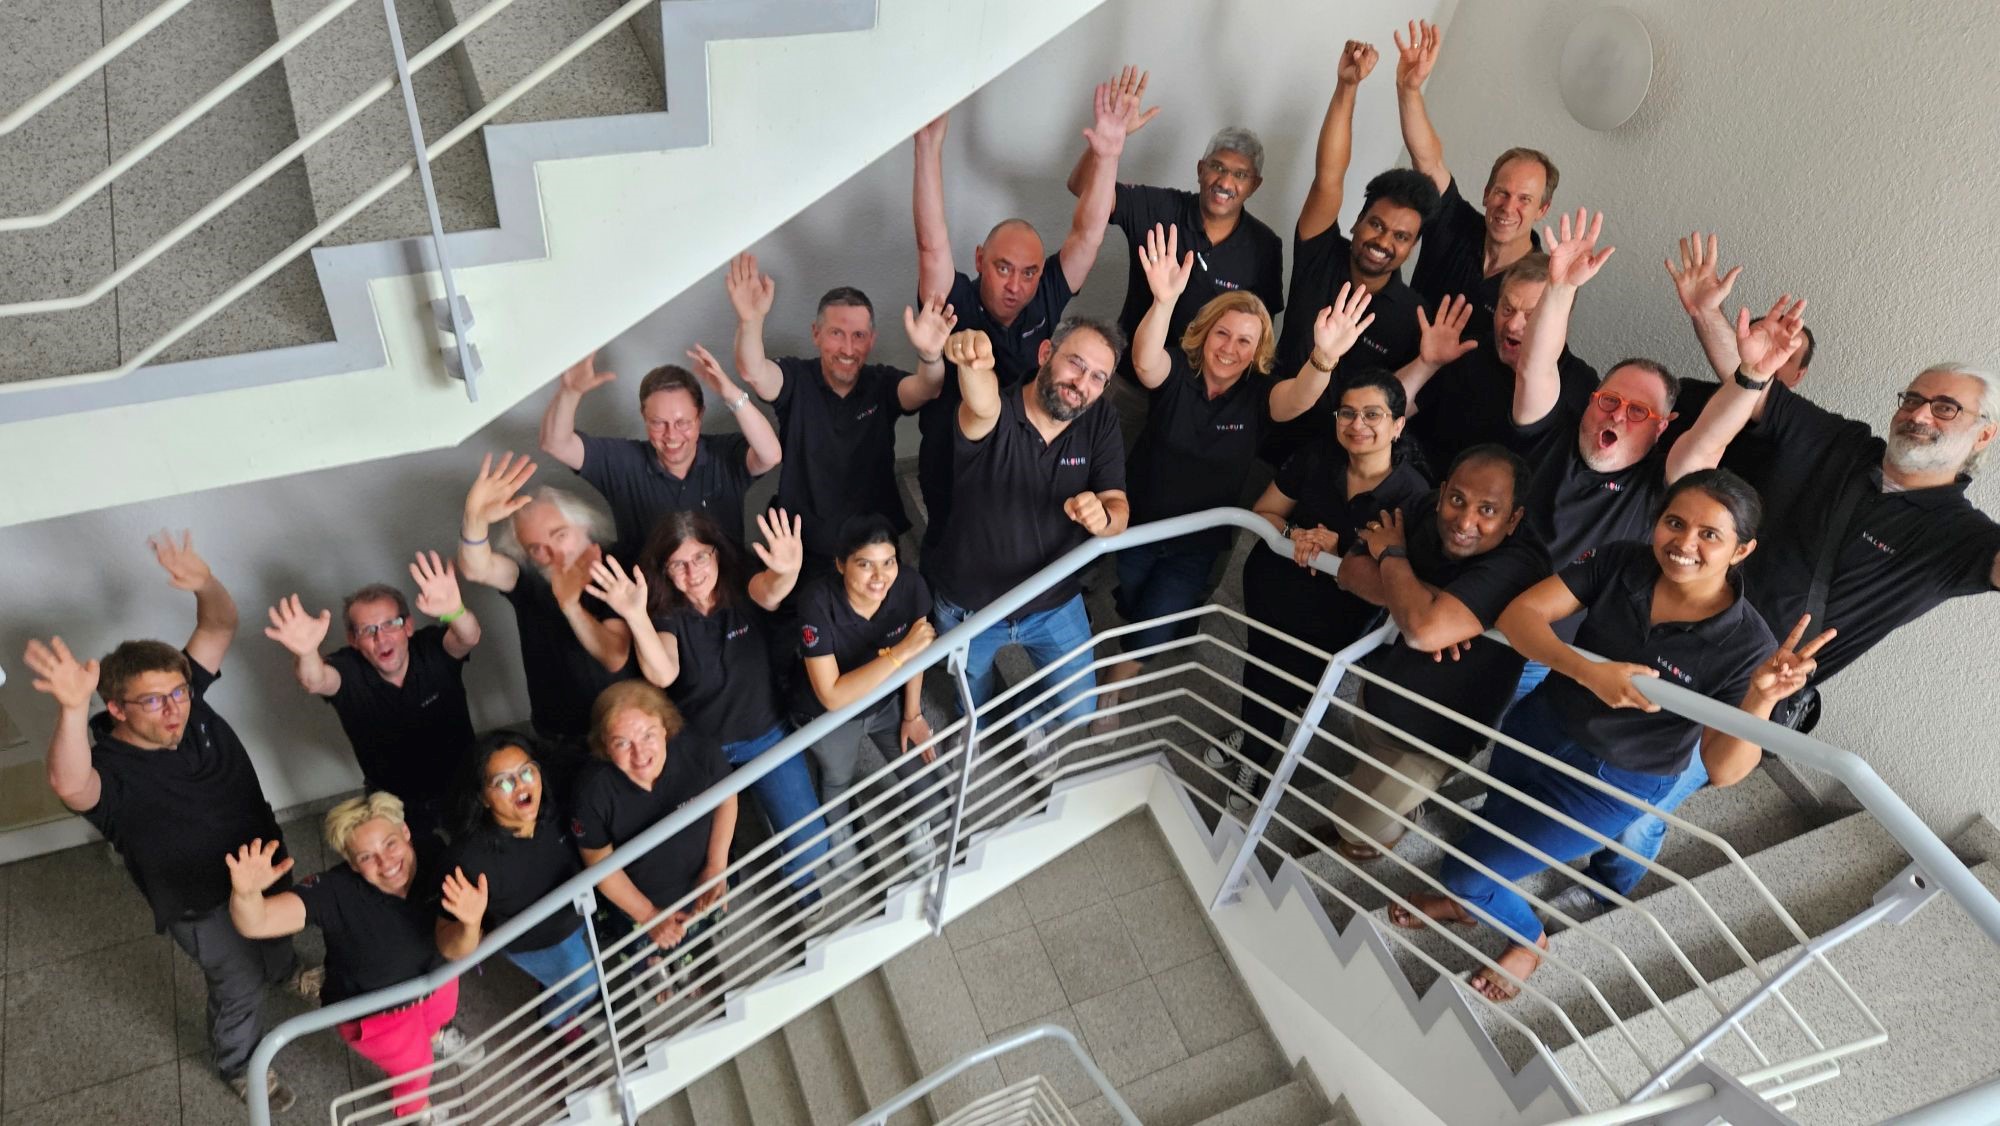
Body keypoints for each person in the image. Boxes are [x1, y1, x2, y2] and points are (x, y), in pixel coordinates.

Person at [1389, 470, 1825, 1001]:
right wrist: (1585, 670)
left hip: (1608, 784)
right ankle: (1470, 903)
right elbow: (1521, 614)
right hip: (1539, 729)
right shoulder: (1623, 561)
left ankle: (1527, 939)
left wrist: (1761, 697)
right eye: (1674, 523)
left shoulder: (1747, 645)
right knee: (1497, 819)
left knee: (1465, 871)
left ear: (1741, 550)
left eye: (1710, 535)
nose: (1684, 544)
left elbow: (1724, 770)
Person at [23, 532, 315, 1111]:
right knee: (237, 985)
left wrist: (205, 583)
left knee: (278, 934)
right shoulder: (110, 767)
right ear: (117, 709)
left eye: (177, 692)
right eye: (154, 701)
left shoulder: (191, 704)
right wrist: (69, 707)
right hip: (198, 903)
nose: (174, 708)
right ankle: (238, 1062)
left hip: (261, 864)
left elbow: (218, 628)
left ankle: (290, 973)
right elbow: (69, 783)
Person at [1097, 223, 1345, 725]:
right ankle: (1138, 625)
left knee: (1159, 618)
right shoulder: (1178, 375)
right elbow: (1144, 362)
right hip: (1141, 522)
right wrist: (1164, 300)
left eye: (1245, 341)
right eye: (1223, 333)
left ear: (1259, 351)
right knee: (1131, 592)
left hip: (1198, 542)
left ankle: (1112, 689)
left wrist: (1324, 357)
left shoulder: (1260, 394)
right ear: (1205, 333)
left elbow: (1298, 400)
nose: (1230, 347)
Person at [910, 80, 1130, 544]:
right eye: (1002, 268)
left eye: (1028, 272)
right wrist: (928, 147)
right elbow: (931, 243)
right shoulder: (958, 299)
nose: (1015, 286)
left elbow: (1088, 235)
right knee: (952, 543)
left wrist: (1108, 155)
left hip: (1024, 453)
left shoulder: (1046, 292)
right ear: (978, 261)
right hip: (954, 449)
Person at [1211, 370, 1432, 815]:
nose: (1357, 424)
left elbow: (1402, 580)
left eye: (1373, 414)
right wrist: (1298, 534)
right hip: (1273, 588)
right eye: (1347, 413)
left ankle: (1255, 751)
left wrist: (1340, 552)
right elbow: (1266, 512)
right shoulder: (1318, 456)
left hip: (1340, 615)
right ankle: (1255, 735)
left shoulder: (1414, 497)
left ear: (1397, 425)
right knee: (1261, 668)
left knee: (1295, 682)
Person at [587, 510, 832, 899]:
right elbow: (663, 674)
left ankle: (799, 881)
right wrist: (635, 614)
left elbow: (769, 591)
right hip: (700, 747)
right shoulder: (664, 612)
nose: (693, 572)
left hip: (765, 733)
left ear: (716, 554)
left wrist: (788, 570)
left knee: (813, 847)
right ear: (665, 571)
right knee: (697, 854)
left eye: (700, 557)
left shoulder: (740, 583)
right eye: (678, 564)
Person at [1326, 446, 1547, 859]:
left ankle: (1381, 836)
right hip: (1382, 689)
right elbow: (1350, 570)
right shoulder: (1426, 506)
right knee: (1364, 766)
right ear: (1443, 492)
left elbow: (1424, 631)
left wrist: (1393, 557)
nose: (1464, 521)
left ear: (1514, 517)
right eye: (1458, 500)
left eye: (1488, 510)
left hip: (1435, 735)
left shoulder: (1522, 565)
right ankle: (1389, 815)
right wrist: (1425, 606)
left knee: (1354, 825)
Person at [925, 319, 1130, 739]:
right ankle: (977, 721)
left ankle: (1025, 716)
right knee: (972, 697)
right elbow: (980, 404)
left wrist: (1104, 518)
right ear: (1044, 355)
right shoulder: (996, 413)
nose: (1082, 384)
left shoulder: (1100, 419)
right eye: (1075, 363)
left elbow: (1119, 509)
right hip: (973, 606)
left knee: (1076, 709)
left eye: (1097, 377)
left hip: (1053, 600)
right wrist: (974, 363)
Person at [226, 793, 482, 1119]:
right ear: (350, 862)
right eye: (366, 857)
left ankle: (435, 1035)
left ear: (405, 832)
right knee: (415, 1067)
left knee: (439, 1017)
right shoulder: (333, 892)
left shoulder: (433, 853)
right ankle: (416, 1111)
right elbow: (256, 922)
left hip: (436, 979)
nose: (386, 863)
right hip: (377, 1013)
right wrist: (246, 895)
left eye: (390, 844)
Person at [1062, 66, 1285, 440]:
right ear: (1200, 170)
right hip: (1131, 385)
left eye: (1240, 174)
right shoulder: (1160, 208)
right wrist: (1106, 146)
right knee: (1093, 473)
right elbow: (1081, 188)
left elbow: (1260, 332)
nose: (1225, 182)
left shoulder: (1265, 246)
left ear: (1254, 185)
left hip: (1201, 399)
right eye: (1217, 167)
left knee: (1164, 489)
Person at [1266, 40, 1441, 464]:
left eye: (1401, 237)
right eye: (1377, 225)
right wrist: (1347, 87)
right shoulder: (1320, 252)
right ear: (1358, 221)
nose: (1384, 242)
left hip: (1334, 466)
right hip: (1264, 426)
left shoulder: (1413, 317)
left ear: (1413, 246)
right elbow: (1329, 176)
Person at [726, 252, 958, 572]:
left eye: (858, 336)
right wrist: (750, 321)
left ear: (871, 340)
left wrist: (931, 356)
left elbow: (926, 388)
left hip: (873, 551)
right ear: (816, 334)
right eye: (837, 333)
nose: (848, 349)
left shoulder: (881, 382)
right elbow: (755, 373)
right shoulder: (796, 379)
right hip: (805, 549)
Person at [263, 557, 482, 843]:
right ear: (354, 640)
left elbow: (468, 637)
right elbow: (314, 680)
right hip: (395, 801)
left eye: (390, 624)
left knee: (480, 848)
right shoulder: (348, 668)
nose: (381, 637)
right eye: (368, 630)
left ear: (408, 627)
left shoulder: (431, 648)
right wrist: (306, 652)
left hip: (464, 781)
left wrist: (456, 611)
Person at [455, 453, 635, 793]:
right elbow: (475, 567)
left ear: (584, 526)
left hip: (622, 729)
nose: (553, 553)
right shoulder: (528, 580)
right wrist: (474, 518)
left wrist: (570, 606)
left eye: (560, 534)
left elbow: (614, 656)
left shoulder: (616, 567)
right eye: (536, 548)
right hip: (558, 738)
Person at [793, 516, 946, 867]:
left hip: (884, 701)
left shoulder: (908, 585)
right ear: (840, 564)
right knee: (837, 776)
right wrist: (899, 653)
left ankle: (915, 821)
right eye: (865, 565)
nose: (880, 577)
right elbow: (832, 695)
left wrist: (913, 714)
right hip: (828, 715)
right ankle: (840, 828)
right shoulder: (817, 602)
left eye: (888, 562)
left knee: (930, 793)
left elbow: (918, 651)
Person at [1392, 18, 1557, 339]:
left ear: (1542, 210)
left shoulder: (1542, 282)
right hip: (1399, 380)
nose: (1508, 207)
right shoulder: (1455, 224)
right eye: (1502, 192)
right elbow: (1428, 160)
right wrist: (1409, 89)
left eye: (1525, 199)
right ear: (1486, 193)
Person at [570, 682, 737, 994]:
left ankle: (683, 956)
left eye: (648, 735)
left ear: (666, 728)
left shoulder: (699, 751)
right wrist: (648, 916)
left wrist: (716, 865)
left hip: (700, 877)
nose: (639, 753)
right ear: (605, 746)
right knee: (645, 945)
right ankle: (651, 964)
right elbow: (600, 866)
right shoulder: (592, 792)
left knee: (693, 931)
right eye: (622, 743)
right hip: (636, 899)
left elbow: (727, 798)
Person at [538, 343, 781, 555]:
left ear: (700, 417)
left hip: (726, 600)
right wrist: (570, 392)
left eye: (682, 422)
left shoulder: (725, 454)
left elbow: (770, 455)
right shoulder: (623, 462)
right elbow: (555, 443)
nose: (672, 435)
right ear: (644, 418)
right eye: (658, 423)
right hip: (648, 604)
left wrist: (732, 394)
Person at [436, 732, 598, 1036]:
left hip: (579, 915)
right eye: (504, 782)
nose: (521, 785)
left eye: (526, 772)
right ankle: (556, 1020)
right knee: (583, 987)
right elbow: (450, 948)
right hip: (535, 943)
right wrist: (471, 924)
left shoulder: (558, 810)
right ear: (483, 797)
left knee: (582, 968)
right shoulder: (469, 858)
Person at [1396, 254, 1599, 475]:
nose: (1512, 325)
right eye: (1507, 309)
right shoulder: (1468, 351)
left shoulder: (1581, 385)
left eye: (1531, 316)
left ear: (1560, 321)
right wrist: (1427, 364)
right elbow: (1384, 414)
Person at [1657, 231, 1818, 486]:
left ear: (1799, 374)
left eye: (1786, 355)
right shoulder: (1687, 397)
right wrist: (1705, 312)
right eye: (1759, 345)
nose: (1771, 360)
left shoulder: (1804, 438)